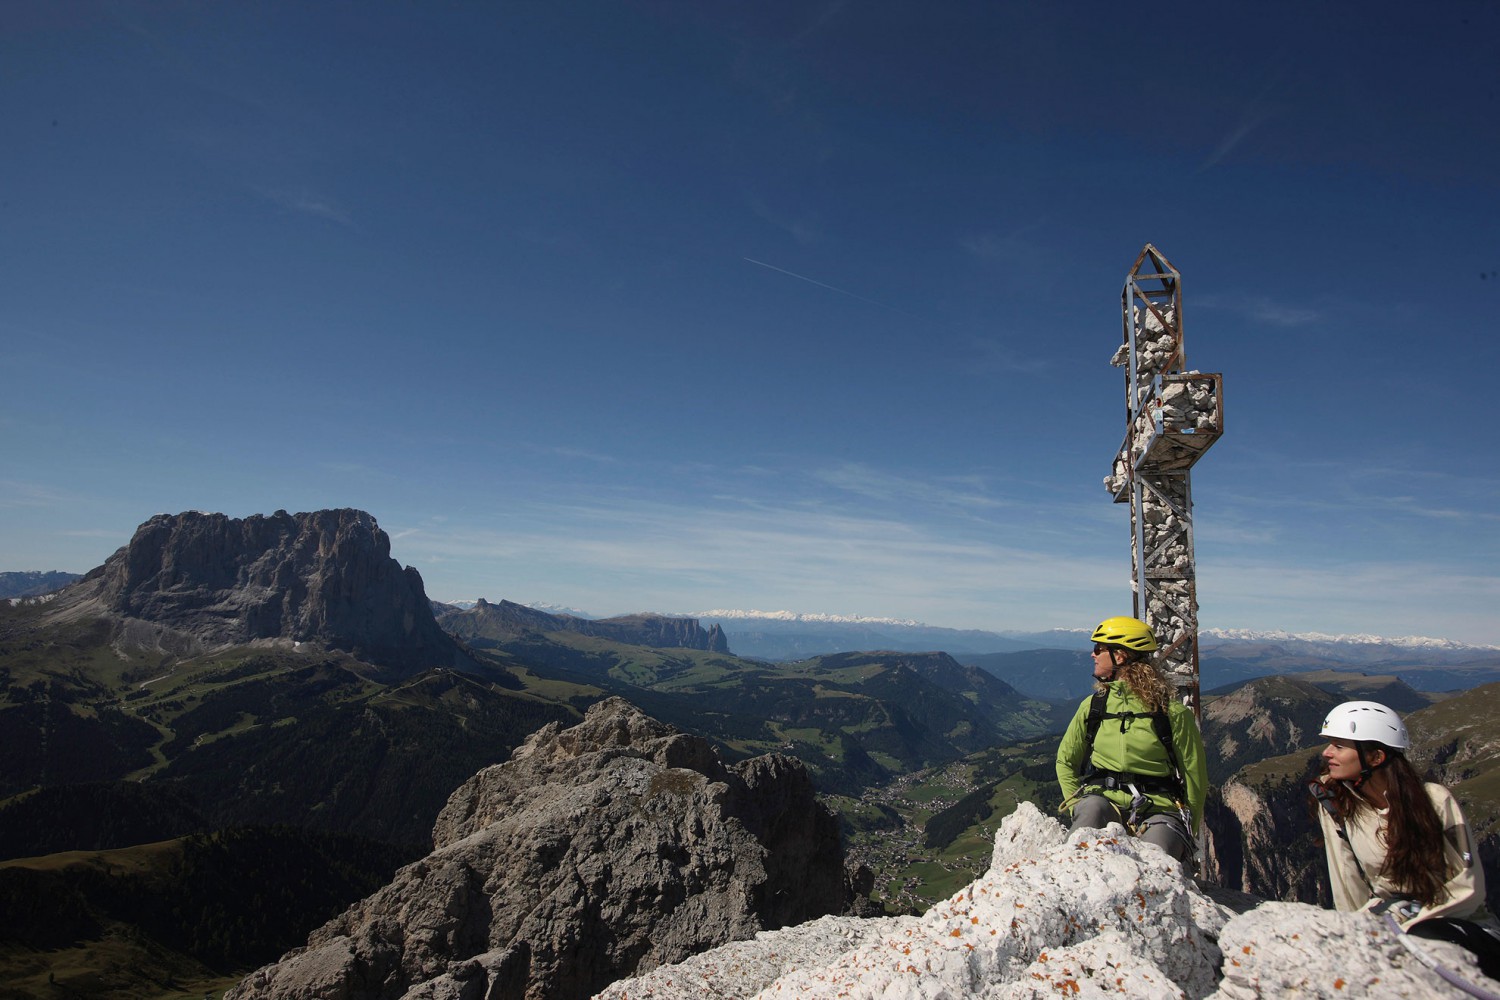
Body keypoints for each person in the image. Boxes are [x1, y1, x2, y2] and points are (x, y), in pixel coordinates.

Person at [1310, 700, 1500, 978]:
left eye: (1339, 746)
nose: (1327, 753)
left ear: (1376, 757)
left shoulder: (1434, 801)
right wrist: (1351, 931)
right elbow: (1345, 878)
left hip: (1457, 922)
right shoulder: (1335, 803)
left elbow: (1467, 886)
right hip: (1391, 917)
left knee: (1426, 937)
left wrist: (1410, 926)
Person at [1055, 615, 1207, 866]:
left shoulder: (1172, 714)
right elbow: (1065, 761)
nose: (1093, 655)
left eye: (1099, 649)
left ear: (1120, 656)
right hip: (1102, 801)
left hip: (1159, 809)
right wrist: (1077, 807)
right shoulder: (1093, 706)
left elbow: (1194, 776)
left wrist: (1188, 825)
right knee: (1089, 818)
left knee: (1157, 865)